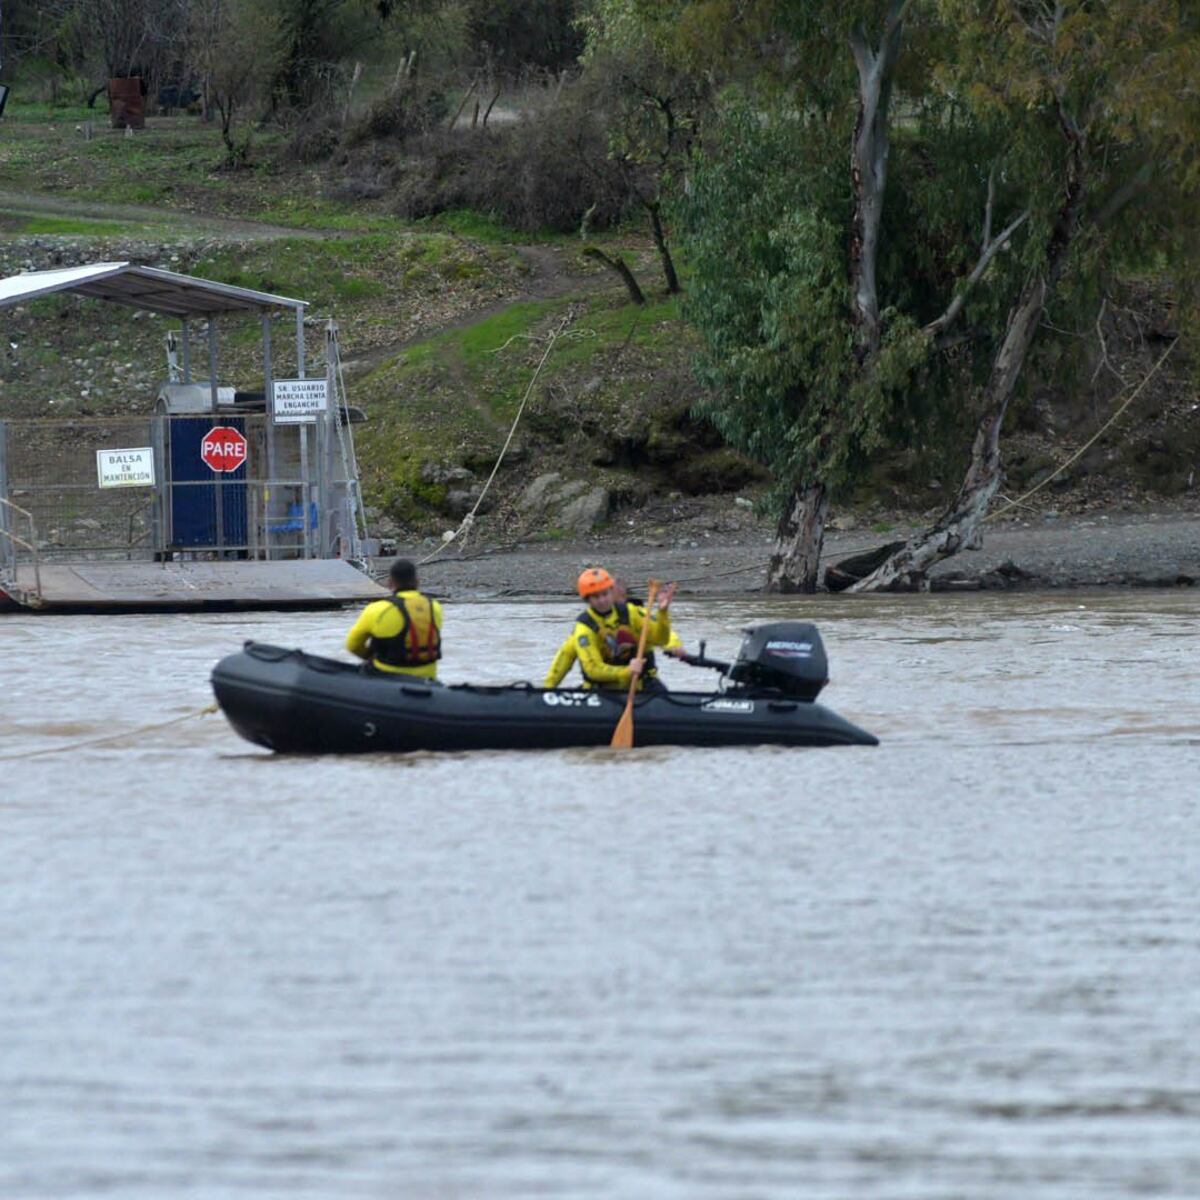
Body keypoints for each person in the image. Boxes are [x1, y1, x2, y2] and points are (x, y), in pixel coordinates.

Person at [544, 567, 676, 690]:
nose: (602, 600)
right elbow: (591, 668)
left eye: (605, 594)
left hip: (639, 686)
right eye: (596, 597)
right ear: (587, 600)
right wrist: (548, 689)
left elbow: (661, 640)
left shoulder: (631, 613)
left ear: (611, 592)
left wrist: (662, 613)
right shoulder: (584, 628)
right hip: (601, 691)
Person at [346, 558, 443, 679]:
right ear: (417, 581)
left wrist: (370, 656)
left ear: (390, 583)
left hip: (388, 679)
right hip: (428, 679)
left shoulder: (376, 609)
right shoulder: (435, 607)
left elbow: (352, 645)